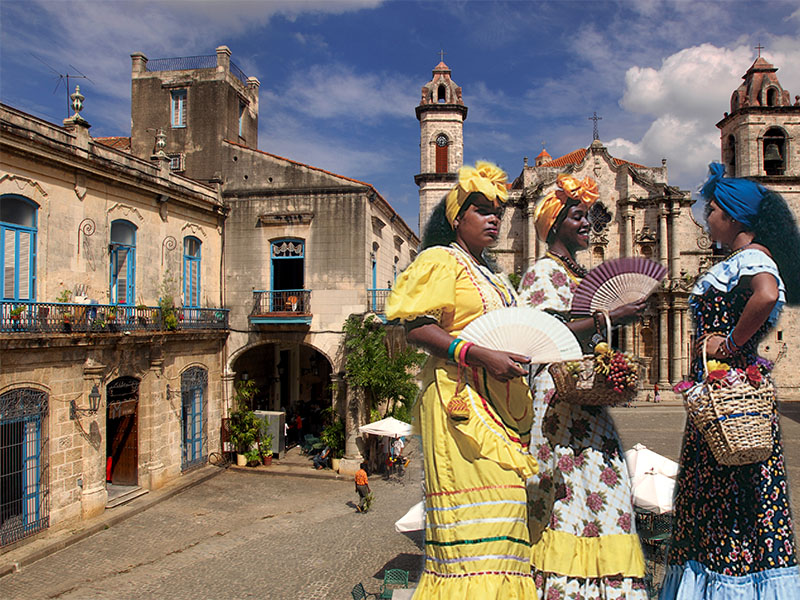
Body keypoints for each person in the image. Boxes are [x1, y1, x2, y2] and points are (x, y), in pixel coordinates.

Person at [386, 161, 539, 598]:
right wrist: (476, 353)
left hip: (501, 407)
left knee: (508, 517)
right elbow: (415, 326)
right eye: (482, 210)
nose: (494, 219)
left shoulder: (496, 278)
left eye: (499, 212)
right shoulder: (441, 260)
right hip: (458, 403)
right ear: (457, 218)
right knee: (472, 533)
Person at [660, 163, 800, 598]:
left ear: (734, 217)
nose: (707, 217)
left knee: (734, 496)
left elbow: (767, 294)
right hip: (719, 399)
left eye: (714, 209)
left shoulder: (753, 257)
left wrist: (730, 343)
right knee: (723, 493)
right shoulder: (737, 260)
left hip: (732, 398)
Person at [517, 173, 648, 599]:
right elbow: (544, 332)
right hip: (557, 409)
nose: (588, 223)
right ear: (554, 225)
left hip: (587, 405)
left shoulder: (579, 274)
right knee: (566, 500)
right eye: (578, 216)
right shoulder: (541, 274)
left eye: (588, 216)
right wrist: (611, 317)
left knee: (609, 489)